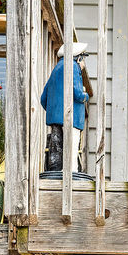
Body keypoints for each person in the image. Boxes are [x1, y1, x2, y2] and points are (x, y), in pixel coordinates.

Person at [40, 42, 95, 179]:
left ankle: (55, 175)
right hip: (71, 118)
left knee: (56, 149)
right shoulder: (73, 67)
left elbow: (43, 98)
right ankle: (71, 176)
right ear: (79, 58)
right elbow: (78, 93)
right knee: (71, 148)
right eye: (83, 59)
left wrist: (54, 112)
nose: (84, 64)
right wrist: (86, 96)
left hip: (55, 119)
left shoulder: (57, 68)